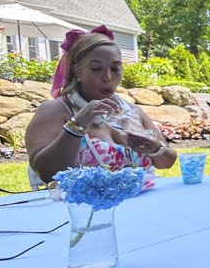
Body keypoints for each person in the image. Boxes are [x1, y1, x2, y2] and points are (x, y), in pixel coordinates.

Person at [26, 26, 177, 183]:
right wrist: (77, 126)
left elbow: (167, 162)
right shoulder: (56, 110)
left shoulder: (132, 110)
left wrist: (155, 149)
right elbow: (46, 173)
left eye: (115, 68)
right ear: (78, 71)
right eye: (96, 68)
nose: (107, 77)